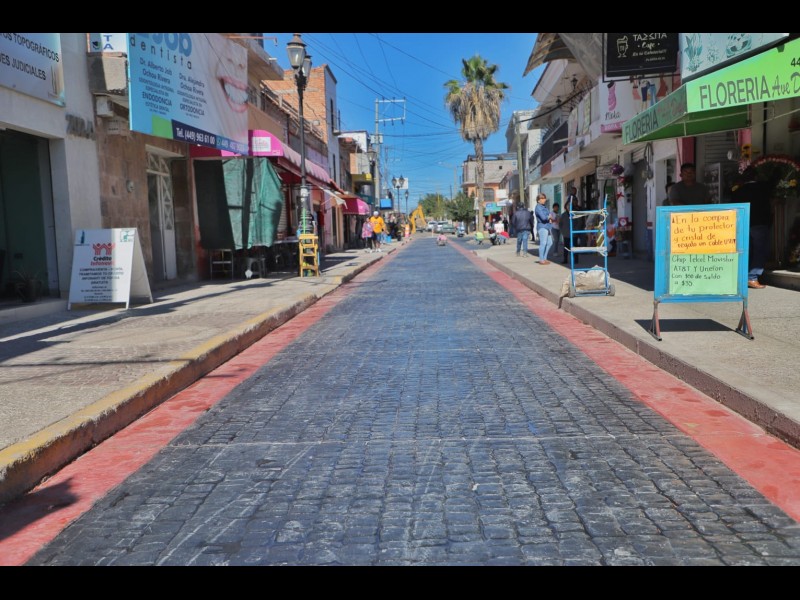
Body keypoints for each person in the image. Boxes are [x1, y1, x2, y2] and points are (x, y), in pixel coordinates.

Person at [731, 166, 772, 289]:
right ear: (756, 176)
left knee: (746, 250)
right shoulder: (764, 188)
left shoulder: (738, 191)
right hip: (759, 223)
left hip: (743, 224)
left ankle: (743, 277)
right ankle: (752, 277)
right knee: (760, 251)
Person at [534, 193, 553, 264]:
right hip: (542, 227)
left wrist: (549, 217)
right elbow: (543, 218)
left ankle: (544, 258)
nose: (544, 199)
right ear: (538, 200)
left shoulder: (544, 206)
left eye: (544, 198)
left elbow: (549, 215)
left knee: (550, 243)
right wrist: (549, 217)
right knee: (543, 243)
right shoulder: (538, 207)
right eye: (542, 198)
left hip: (547, 226)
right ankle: (541, 259)